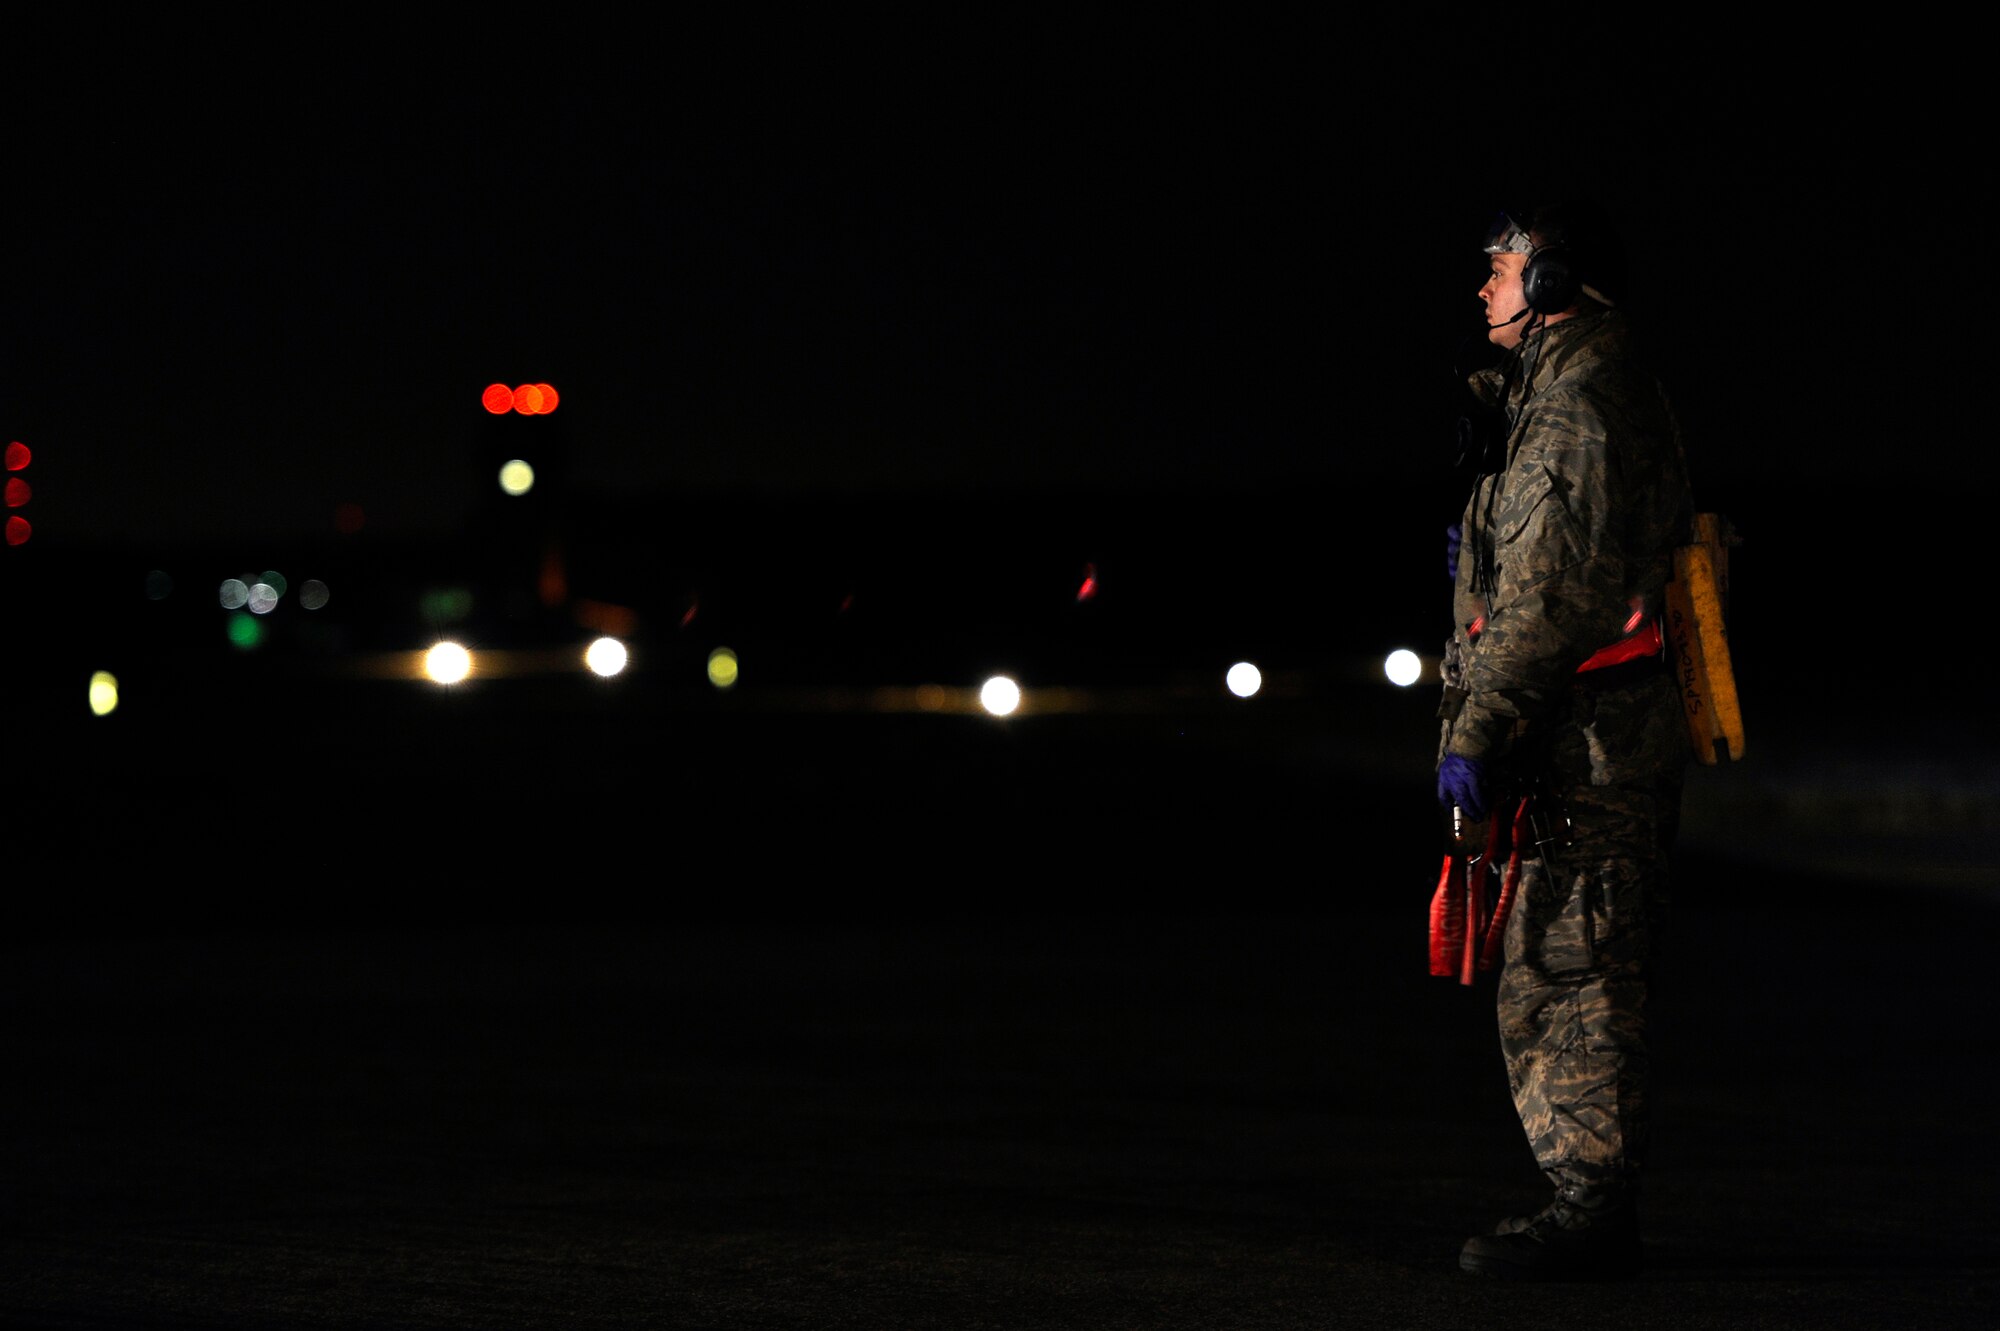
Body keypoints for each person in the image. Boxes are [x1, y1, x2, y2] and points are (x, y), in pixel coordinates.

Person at [1435, 199, 1695, 1280]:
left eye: (1500, 271)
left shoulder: (1578, 405)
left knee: (1574, 973)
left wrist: (1477, 724)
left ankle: (1591, 1207)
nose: (1483, 290)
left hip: (1588, 745)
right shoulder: (1550, 397)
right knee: (1552, 965)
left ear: (1551, 287)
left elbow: (1548, 599)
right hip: (1575, 741)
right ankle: (1586, 1197)